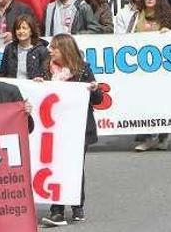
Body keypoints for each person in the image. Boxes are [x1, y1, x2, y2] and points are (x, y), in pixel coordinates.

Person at [38, 34, 103, 227]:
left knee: (74, 166)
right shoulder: (46, 69)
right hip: (54, 126)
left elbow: (98, 100)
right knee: (55, 166)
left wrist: (94, 89)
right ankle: (56, 210)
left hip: (78, 127)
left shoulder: (83, 70)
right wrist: (39, 84)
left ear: (65, 50)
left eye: (54, 48)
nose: (50, 50)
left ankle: (77, 206)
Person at [131, 0, 171, 152]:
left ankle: (163, 136)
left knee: (162, 102)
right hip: (141, 69)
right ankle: (148, 137)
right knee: (145, 103)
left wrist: (170, 34)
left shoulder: (167, 17)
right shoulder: (137, 17)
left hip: (162, 70)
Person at [0, 15, 49, 79]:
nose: (21, 31)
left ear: (31, 31)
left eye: (24, 28)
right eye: (18, 28)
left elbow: (45, 74)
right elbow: (2, 72)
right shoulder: (9, 48)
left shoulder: (41, 50)